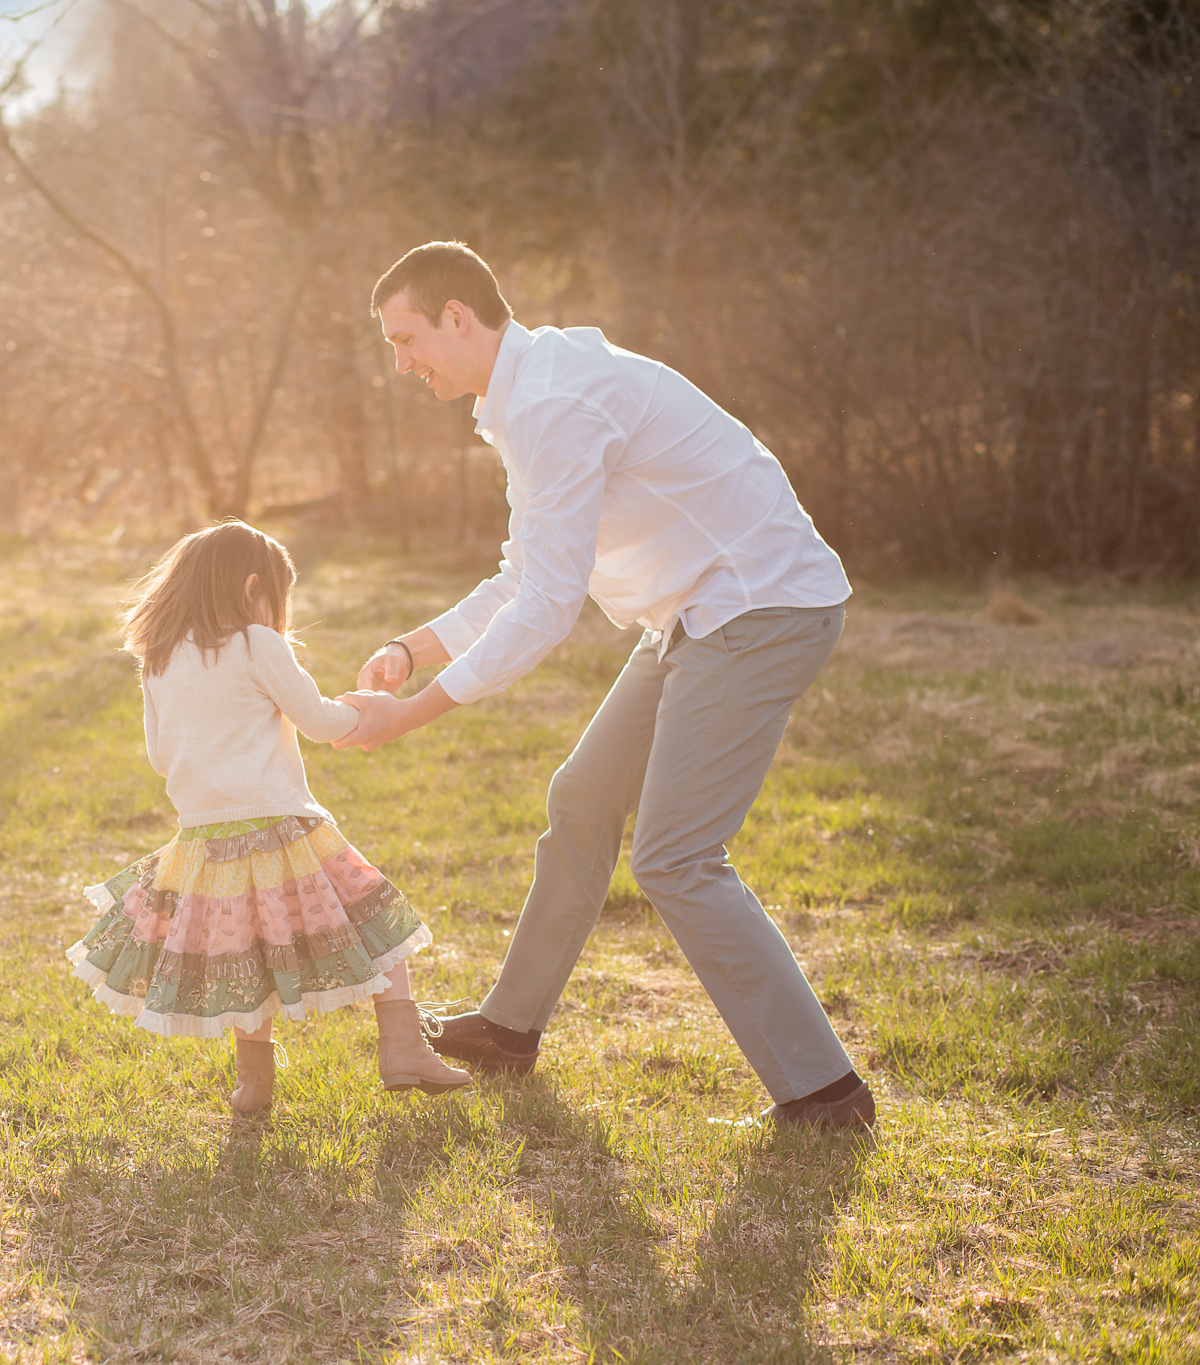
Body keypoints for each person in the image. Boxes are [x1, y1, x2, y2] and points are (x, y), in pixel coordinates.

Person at [334, 241, 873, 1131]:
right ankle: (509, 1028)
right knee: (583, 797)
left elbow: (547, 608)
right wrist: (413, 646)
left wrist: (413, 714)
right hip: (697, 613)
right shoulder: (529, 394)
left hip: (759, 605)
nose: (400, 363)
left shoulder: (551, 402)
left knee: (675, 857)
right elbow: (525, 573)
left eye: (406, 339)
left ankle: (825, 1092)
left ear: (458, 318)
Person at [66, 520, 469, 1117]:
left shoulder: (157, 659)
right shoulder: (258, 643)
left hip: (202, 838)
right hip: (283, 826)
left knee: (243, 954)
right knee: (378, 919)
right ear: (255, 586)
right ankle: (403, 1048)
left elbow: (158, 757)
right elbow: (320, 721)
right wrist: (365, 711)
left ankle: (253, 1084)